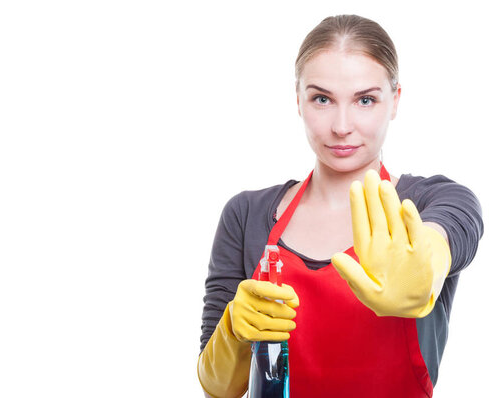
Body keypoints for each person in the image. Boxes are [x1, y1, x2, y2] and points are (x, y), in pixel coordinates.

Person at [197, 14, 484, 398]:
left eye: (365, 100)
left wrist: (427, 261)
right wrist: (232, 330)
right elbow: (216, 389)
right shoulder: (245, 214)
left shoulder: (432, 202)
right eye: (322, 99)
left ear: (394, 101)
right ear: (298, 100)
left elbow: (452, 231)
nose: (342, 126)